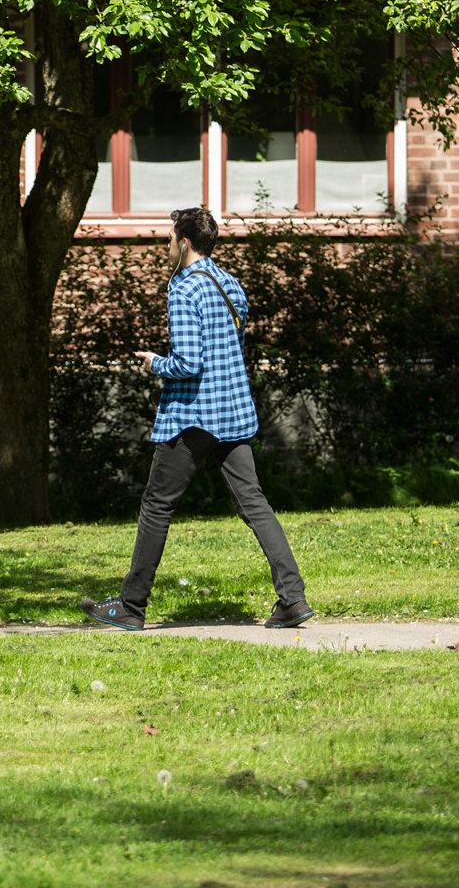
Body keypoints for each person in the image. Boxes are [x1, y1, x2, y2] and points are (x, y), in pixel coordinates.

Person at [79, 207, 313, 631]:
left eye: (170, 239)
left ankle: (131, 607)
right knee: (254, 503)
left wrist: (154, 363)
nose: (168, 246)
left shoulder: (184, 289)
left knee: (156, 506)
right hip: (233, 412)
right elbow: (230, 345)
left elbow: (188, 362)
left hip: (193, 417)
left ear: (184, 243)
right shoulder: (230, 284)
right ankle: (293, 599)